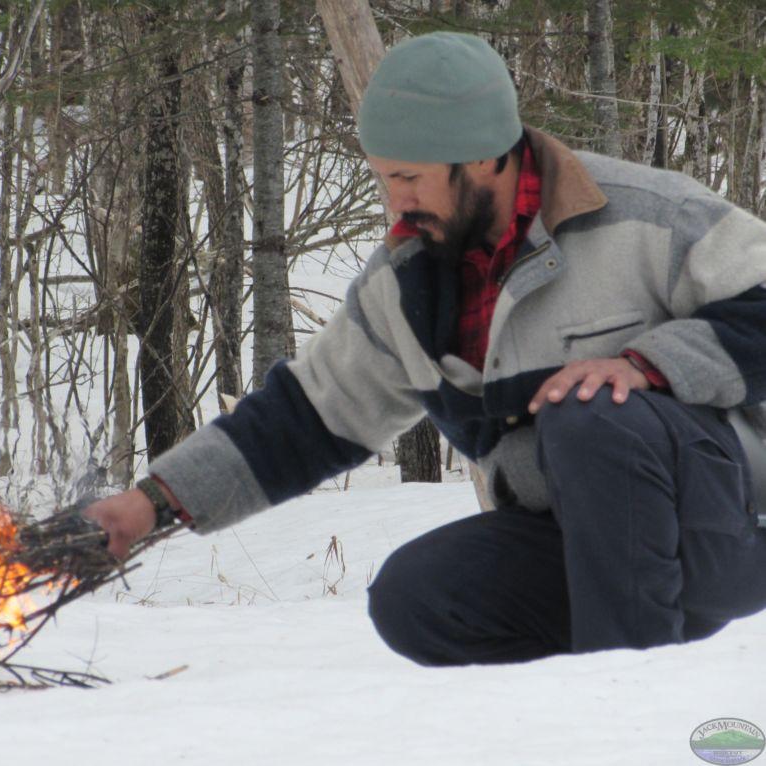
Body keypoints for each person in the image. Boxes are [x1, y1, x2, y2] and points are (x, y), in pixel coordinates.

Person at [82, 32, 766, 665]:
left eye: (409, 177)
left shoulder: (648, 216)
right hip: (586, 552)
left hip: (725, 529)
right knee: (419, 595)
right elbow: (301, 419)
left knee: (589, 407)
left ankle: (624, 706)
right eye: (383, 178)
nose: (394, 200)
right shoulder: (404, 286)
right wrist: (151, 504)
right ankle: (556, 718)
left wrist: (646, 365)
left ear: (481, 156)